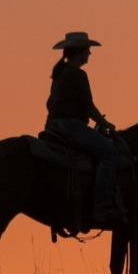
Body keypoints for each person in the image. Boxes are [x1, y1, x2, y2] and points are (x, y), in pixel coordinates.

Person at [45, 31, 125, 224]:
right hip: (70, 127)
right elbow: (89, 107)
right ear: (80, 52)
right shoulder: (78, 75)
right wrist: (106, 124)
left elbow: (50, 104)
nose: (90, 53)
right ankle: (102, 207)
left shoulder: (60, 73)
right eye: (88, 50)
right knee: (110, 153)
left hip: (54, 126)